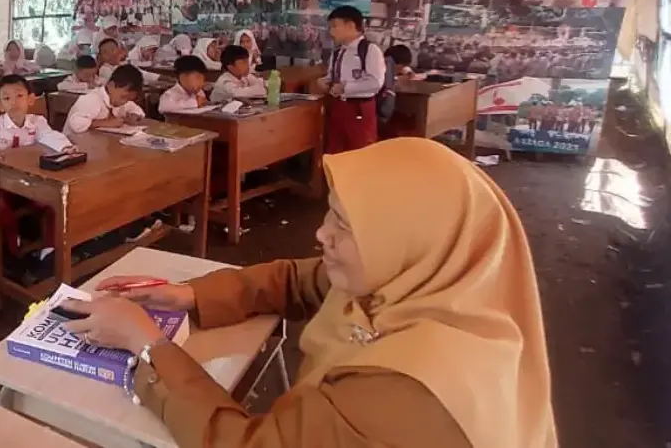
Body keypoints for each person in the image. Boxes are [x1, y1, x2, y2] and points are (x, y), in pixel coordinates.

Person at [60, 138, 557, 448]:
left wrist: (150, 346)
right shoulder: (414, 278)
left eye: (344, 223)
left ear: (411, 239)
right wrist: (188, 296)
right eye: (331, 213)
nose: (321, 235)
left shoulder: (408, 391)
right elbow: (296, 280)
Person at [0, 75, 79, 254]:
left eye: (19, 96)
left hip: (30, 181)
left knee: (53, 202)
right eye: (6, 98)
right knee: (1, 206)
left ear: (31, 99)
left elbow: (50, 136)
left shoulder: (37, 122)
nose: (13, 102)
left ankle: (49, 249)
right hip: (2, 183)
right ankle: (13, 246)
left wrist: (66, 147)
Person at [319, 7, 385, 154]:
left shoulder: (370, 50)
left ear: (350, 26)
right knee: (334, 151)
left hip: (359, 108)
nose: (331, 31)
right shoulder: (338, 52)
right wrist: (325, 82)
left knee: (359, 152)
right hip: (337, 108)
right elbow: (332, 76)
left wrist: (346, 88)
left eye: (335, 26)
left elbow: (376, 83)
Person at [64, 65, 145, 135]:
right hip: (74, 145)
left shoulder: (119, 101)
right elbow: (75, 123)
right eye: (123, 97)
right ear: (111, 85)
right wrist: (105, 123)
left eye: (128, 99)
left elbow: (136, 109)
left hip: (97, 142)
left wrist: (134, 116)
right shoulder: (92, 99)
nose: (124, 102)